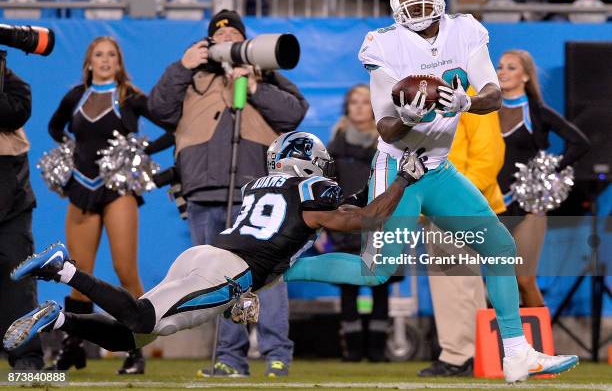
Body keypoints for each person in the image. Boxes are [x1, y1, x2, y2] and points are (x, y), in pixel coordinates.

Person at [3, 133, 427, 362]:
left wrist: (374, 182)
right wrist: (404, 179)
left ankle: (61, 320)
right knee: (141, 315)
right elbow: (367, 217)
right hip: (231, 271)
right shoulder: (314, 189)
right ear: (309, 161)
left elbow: (338, 209)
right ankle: (63, 271)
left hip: (205, 255)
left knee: (131, 338)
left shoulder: (262, 185)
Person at [349, 0, 577, 383]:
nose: (416, 4)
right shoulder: (382, 43)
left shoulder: (465, 30)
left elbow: (491, 94)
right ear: (395, 5)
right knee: (377, 267)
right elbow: (384, 127)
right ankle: (276, 269)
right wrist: (406, 116)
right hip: (398, 164)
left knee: (500, 248)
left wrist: (467, 103)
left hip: (437, 168)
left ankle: (515, 353)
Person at [148, 9, 307, 378]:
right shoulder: (191, 76)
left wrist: (254, 87)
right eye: (219, 37)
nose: (226, 42)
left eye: (234, 36)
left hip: (256, 194)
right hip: (203, 190)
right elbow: (159, 109)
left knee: (267, 275)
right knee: (215, 279)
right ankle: (229, 359)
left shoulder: (265, 76)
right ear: (206, 43)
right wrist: (181, 66)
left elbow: (294, 114)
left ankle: (276, 355)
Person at [47, 36, 173, 374]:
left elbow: (173, 129)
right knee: (77, 272)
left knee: (125, 270)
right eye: (98, 55)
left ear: (119, 63)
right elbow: (54, 127)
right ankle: (73, 347)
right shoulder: (75, 96)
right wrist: (68, 151)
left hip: (118, 190)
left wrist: (141, 152)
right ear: (89, 61)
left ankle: (136, 347)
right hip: (82, 189)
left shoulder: (129, 97)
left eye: (111, 55)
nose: (105, 60)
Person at [496, 49, 589, 307]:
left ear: (526, 76)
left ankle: (541, 343)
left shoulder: (537, 112)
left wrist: (549, 170)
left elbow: (580, 143)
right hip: (492, 203)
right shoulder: (487, 111)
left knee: (524, 280)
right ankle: (507, 345)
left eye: (511, 67)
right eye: (500, 66)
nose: (503, 71)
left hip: (527, 206)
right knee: (499, 283)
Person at [418, 108, 506, 377]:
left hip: (459, 204)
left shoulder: (470, 97)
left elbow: (487, 156)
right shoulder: (433, 100)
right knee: (454, 283)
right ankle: (468, 352)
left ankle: (461, 355)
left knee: (457, 282)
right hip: (440, 202)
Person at [321, 84, 391, 362]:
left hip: (382, 224)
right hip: (346, 223)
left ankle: (377, 350)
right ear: (347, 108)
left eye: (365, 102)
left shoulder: (388, 143)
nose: (360, 107)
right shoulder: (334, 146)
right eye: (354, 102)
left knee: (381, 285)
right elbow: (327, 188)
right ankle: (351, 350)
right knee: (348, 287)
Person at [0, 67, 43, 370]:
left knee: (18, 279)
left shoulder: (13, 83)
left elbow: (13, 114)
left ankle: (25, 355)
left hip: (10, 196)